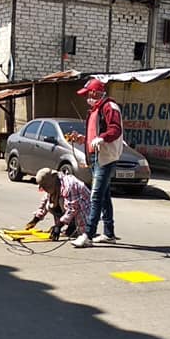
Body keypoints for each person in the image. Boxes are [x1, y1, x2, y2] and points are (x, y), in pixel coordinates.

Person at [71, 78, 123, 248]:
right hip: (95, 156)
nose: (87, 98)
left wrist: (102, 138)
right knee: (104, 196)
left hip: (105, 157)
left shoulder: (109, 107)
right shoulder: (95, 110)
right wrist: (84, 139)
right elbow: (95, 134)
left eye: (88, 94)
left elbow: (115, 129)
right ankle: (109, 233)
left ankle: (88, 234)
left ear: (95, 92)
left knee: (96, 195)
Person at [25, 167, 91, 241]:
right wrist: (35, 220)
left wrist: (58, 226)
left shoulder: (69, 185)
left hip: (84, 209)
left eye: (45, 186)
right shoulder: (54, 184)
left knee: (62, 202)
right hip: (72, 208)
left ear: (51, 182)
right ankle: (71, 227)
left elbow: (72, 209)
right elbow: (44, 203)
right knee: (50, 205)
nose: (45, 189)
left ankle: (78, 229)